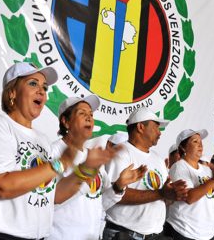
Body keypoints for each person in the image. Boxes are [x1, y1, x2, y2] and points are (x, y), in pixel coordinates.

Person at [0, 62, 80, 239]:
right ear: (12, 92)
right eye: (33, 83)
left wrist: (87, 170)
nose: (42, 91)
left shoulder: (43, 140)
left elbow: (51, 196)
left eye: (45, 87)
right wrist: (56, 166)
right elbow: (0, 185)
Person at [47, 95, 146, 240]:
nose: (89, 118)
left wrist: (119, 186)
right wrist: (85, 171)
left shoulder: (92, 156)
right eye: (82, 113)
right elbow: (49, 200)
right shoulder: (53, 152)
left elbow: (99, 203)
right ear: (66, 121)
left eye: (91, 115)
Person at [103, 107, 188, 240]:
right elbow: (114, 194)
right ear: (141, 127)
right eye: (156, 128)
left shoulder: (158, 159)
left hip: (155, 235)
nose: (159, 133)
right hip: (125, 234)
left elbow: (164, 196)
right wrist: (161, 194)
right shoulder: (121, 153)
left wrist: (172, 194)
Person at [165, 129, 214, 240]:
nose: (200, 144)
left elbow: (211, 199)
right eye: (195, 141)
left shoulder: (206, 170)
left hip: (207, 233)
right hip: (186, 231)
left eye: (201, 142)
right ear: (183, 148)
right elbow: (189, 197)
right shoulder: (179, 167)